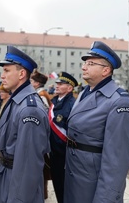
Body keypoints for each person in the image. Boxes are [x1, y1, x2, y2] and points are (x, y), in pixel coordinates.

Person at [64, 41, 129, 203]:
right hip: (75, 173)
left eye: (90, 63)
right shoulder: (85, 93)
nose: (83, 67)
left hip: (92, 180)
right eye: (85, 63)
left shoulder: (120, 102)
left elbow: (116, 160)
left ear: (106, 70)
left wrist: (106, 198)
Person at [0, 45, 50, 203]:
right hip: (7, 174)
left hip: (18, 180)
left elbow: (28, 166)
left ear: (21, 74)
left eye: (7, 70)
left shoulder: (29, 110)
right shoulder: (16, 100)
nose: (2, 76)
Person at [48, 71, 78, 203]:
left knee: (66, 188)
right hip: (53, 152)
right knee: (57, 185)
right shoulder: (54, 102)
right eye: (57, 83)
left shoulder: (73, 104)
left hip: (65, 153)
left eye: (61, 84)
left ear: (70, 88)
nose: (57, 85)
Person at [30, 69, 52, 199]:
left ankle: (43, 193)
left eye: (32, 81)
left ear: (37, 83)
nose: (30, 83)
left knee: (43, 167)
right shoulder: (38, 93)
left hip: (42, 134)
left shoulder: (41, 95)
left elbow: (44, 114)